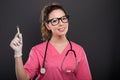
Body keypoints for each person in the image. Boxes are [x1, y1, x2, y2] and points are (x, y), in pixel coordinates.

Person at [10, 2, 92, 80]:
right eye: (55, 21)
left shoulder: (78, 50)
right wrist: (18, 53)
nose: (61, 23)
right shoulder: (37, 51)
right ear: (47, 25)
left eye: (63, 18)